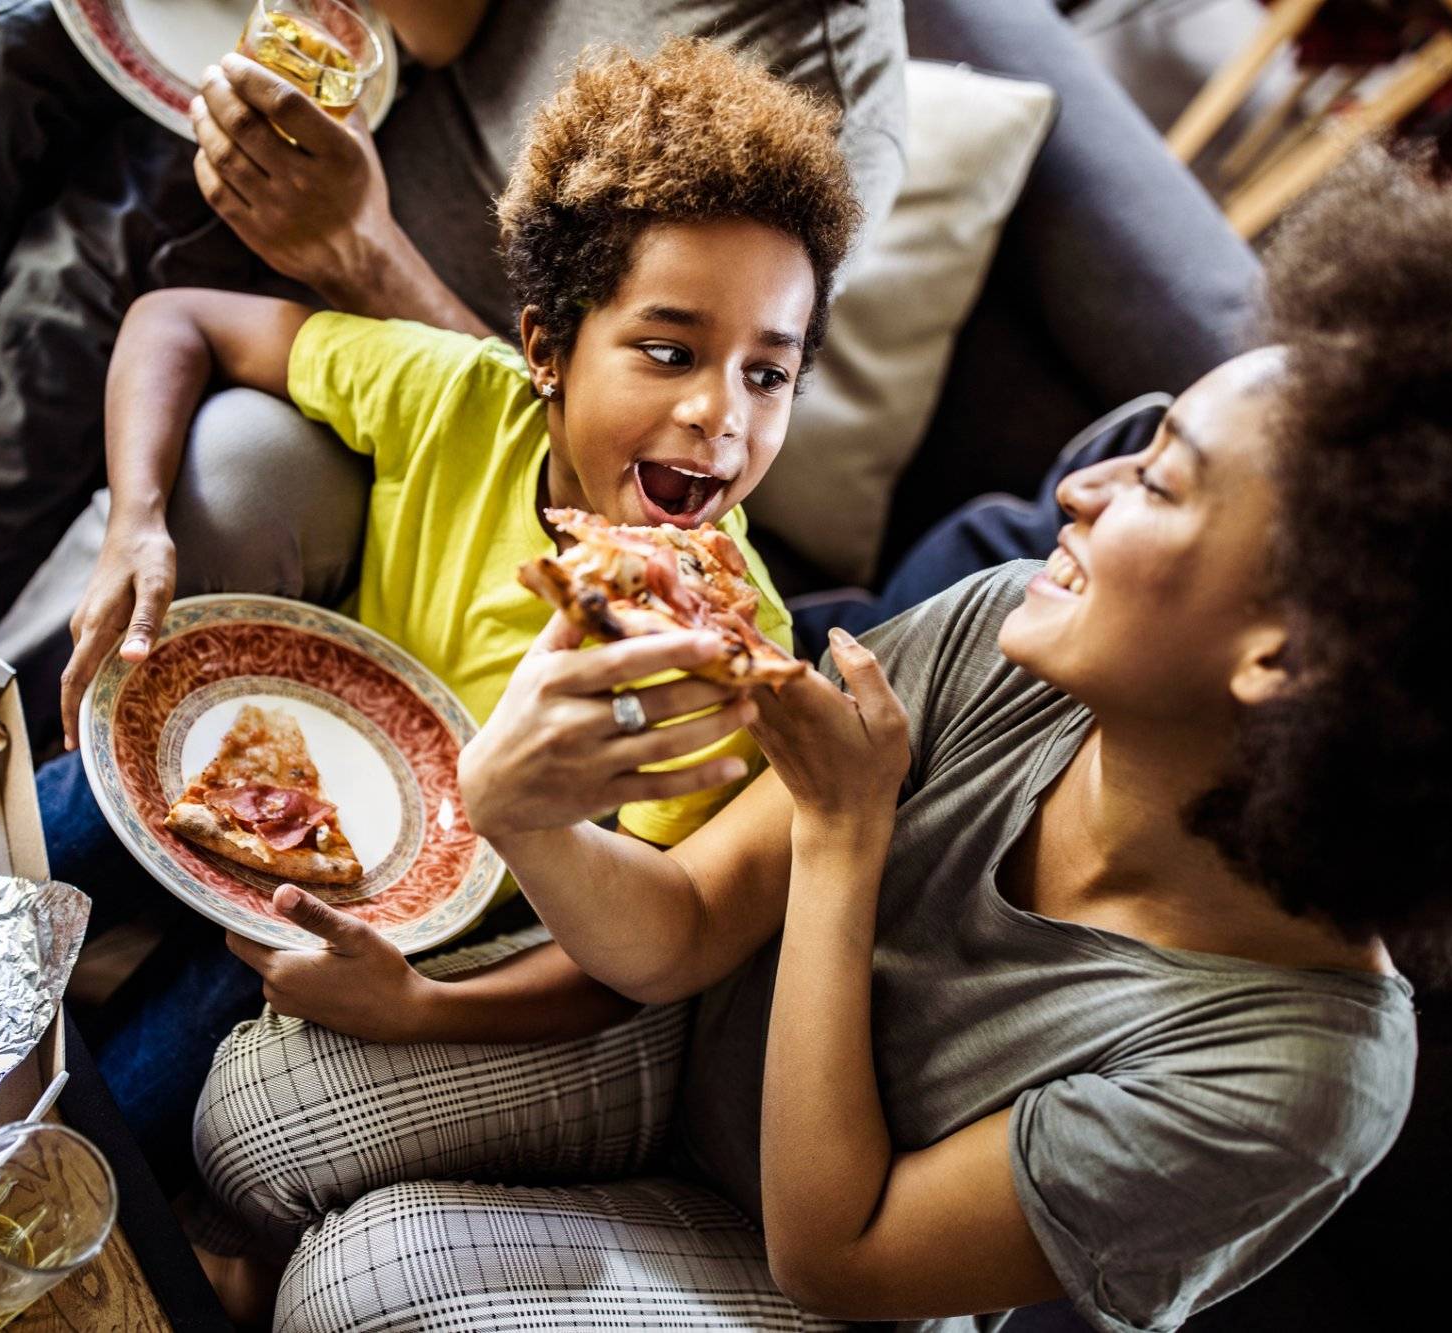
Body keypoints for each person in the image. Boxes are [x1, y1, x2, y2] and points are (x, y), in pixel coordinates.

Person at [189, 150, 1452, 1330]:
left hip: (807, 1275)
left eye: (1161, 478)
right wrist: (521, 808)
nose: (1079, 486)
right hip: (688, 1040)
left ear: (1287, 653)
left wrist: (847, 833)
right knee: (247, 1112)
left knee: (361, 1286)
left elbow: (838, 1254)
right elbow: (686, 928)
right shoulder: (1014, 624)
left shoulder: (1297, 1079)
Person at [51, 34, 878, 1194]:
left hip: (391, 928)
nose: (716, 414)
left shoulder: (725, 654)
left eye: (765, 372)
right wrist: (135, 527)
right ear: (544, 348)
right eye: (665, 349)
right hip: (266, 742)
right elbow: (176, 320)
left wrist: (418, 1007)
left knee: (102, 1135)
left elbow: (623, 961)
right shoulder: (459, 396)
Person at [0, 0, 904, 631]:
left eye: (763, 382)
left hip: (405, 275)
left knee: (90, 267)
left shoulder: (792, 103)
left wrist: (355, 250)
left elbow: (573, 386)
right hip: (297, 82)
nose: (728, 411)